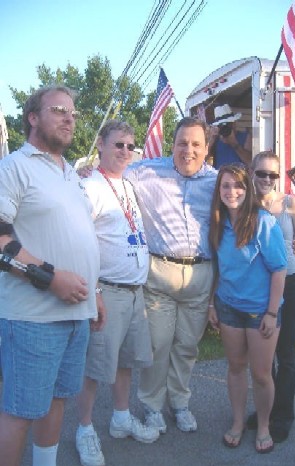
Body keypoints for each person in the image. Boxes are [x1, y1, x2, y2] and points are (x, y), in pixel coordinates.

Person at [0, 86, 104, 466]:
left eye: (73, 113)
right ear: (32, 117)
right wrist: (50, 278)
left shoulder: (70, 175)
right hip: (33, 317)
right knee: (20, 411)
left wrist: (94, 291)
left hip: (76, 314)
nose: (69, 118)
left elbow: (77, 238)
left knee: (57, 400)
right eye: (59, 110)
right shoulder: (14, 167)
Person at [124, 117, 217, 434]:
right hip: (159, 276)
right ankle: (151, 406)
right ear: (172, 145)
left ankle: (179, 403)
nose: (188, 150)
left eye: (195, 144)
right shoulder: (145, 173)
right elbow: (109, 178)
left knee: (187, 348)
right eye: (182, 143)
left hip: (200, 276)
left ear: (206, 148)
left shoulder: (219, 182)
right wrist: (86, 173)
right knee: (157, 346)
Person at [75, 120, 159, 466]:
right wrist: (92, 290)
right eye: (118, 144)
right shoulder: (89, 187)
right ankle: (83, 429)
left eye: (130, 145)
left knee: (126, 361)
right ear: (101, 144)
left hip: (135, 292)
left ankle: (121, 418)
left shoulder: (127, 185)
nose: (125, 151)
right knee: (96, 367)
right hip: (106, 291)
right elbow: (79, 243)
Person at [208, 165, 287, 454]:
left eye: (238, 186)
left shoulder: (263, 221)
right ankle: (239, 422)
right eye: (225, 186)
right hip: (228, 307)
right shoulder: (217, 222)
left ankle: (263, 425)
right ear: (219, 190)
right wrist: (211, 302)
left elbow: (279, 269)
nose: (232, 192)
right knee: (236, 367)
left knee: (261, 373)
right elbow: (220, 267)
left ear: (248, 188)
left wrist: (271, 313)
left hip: (259, 312)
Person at [247, 151, 295, 442]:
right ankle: (266, 410)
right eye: (260, 173)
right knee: (264, 356)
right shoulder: (244, 204)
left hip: (290, 282)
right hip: (259, 288)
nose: (266, 179)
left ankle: (283, 416)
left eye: (272, 174)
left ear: (278, 176)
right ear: (252, 173)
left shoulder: (290, 204)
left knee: (285, 355)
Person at [207, 104, 252, 168]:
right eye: (222, 126)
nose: (226, 128)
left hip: (239, 176)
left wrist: (234, 144)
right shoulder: (216, 139)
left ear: (234, 123)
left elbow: (249, 161)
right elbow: (203, 159)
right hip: (220, 176)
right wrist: (212, 139)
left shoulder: (246, 136)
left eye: (228, 124)